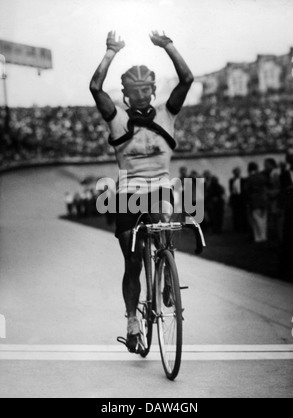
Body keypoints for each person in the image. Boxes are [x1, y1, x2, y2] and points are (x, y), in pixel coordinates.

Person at [90, 30, 194, 353]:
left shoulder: (167, 114)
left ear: (152, 90)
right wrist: (110, 52)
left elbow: (187, 78)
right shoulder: (118, 120)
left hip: (161, 187)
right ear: (125, 94)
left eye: (146, 89)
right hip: (129, 192)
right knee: (131, 259)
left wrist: (168, 46)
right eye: (134, 91)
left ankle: (167, 275)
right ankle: (132, 322)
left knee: (166, 220)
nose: (141, 95)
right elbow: (95, 87)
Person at [244, 162, 268, 243]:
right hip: (263, 199)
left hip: (254, 200)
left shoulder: (250, 178)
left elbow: (246, 190)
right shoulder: (262, 177)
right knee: (263, 218)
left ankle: (258, 237)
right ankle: (263, 236)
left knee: (256, 219)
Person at [229, 167, 247, 233]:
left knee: (243, 213)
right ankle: (236, 228)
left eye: (238, 171)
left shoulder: (243, 180)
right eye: (235, 172)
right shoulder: (231, 180)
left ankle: (244, 227)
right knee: (235, 214)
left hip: (241, 198)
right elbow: (231, 190)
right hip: (235, 198)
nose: (236, 173)